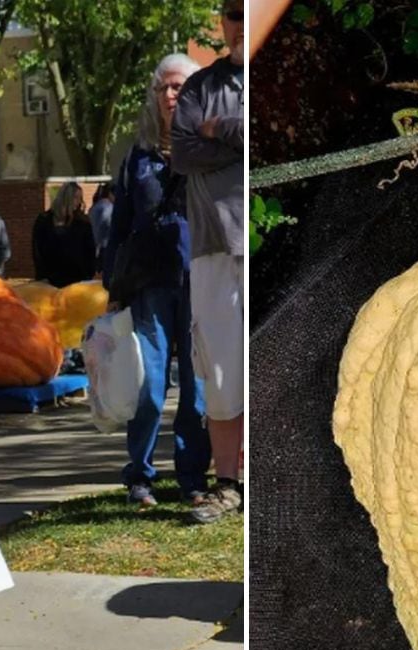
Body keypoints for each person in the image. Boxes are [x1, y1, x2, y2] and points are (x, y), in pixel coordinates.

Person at [103, 53, 209, 508]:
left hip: (199, 278)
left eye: (180, 86)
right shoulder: (137, 157)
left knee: (197, 384)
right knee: (148, 382)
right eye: (164, 87)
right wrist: (112, 287)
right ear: (153, 94)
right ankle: (140, 477)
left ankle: (192, 477)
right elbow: (120, 224)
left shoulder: (210, 147)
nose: (171, 94)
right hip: (149, 282)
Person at [171, 0, 246, 524]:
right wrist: (230, 136)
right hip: (214, 244)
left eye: (246, 11)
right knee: (219, 368)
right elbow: (182, 152)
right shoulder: (199, 88)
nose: (237, 22)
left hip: (264, 237)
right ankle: (228, 484)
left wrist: (222, 132)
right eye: (230, 13)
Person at [31, 181, 95, 287]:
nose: (78, 202)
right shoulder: (44, 220)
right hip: (50, 278)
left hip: (77, 279)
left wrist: (88, 274)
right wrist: (41, 276)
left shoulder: (82, 222)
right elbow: (37, 249)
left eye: (80, 198)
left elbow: (89, 250)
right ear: (65, 197)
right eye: (75, 197)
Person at [89, 182, 114, 260]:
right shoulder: (109, 207)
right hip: (105, 246)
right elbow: (107, 225)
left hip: (94, 245)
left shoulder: (93, 208)